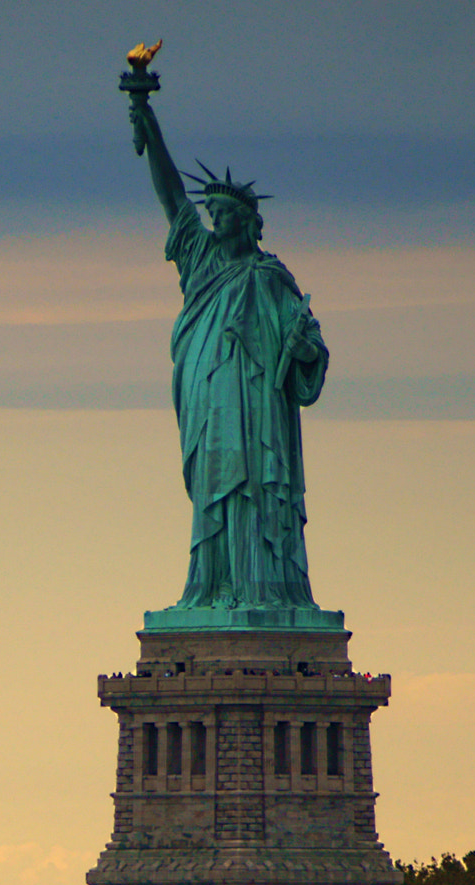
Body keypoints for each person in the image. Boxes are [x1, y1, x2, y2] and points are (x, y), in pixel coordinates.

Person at [126, 94, 330, 618]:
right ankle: (212, 585)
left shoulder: (270, 278)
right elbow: (173, 199)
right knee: (216, 489)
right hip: (211, 398)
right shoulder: (199, 260)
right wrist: (150, 126)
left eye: (221, 215)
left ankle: (264, 588)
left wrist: (305, 349)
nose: (213, 221)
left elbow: (307, 348)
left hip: (259, 406)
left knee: (258, 489)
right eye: (210, 213)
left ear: (246, 221)